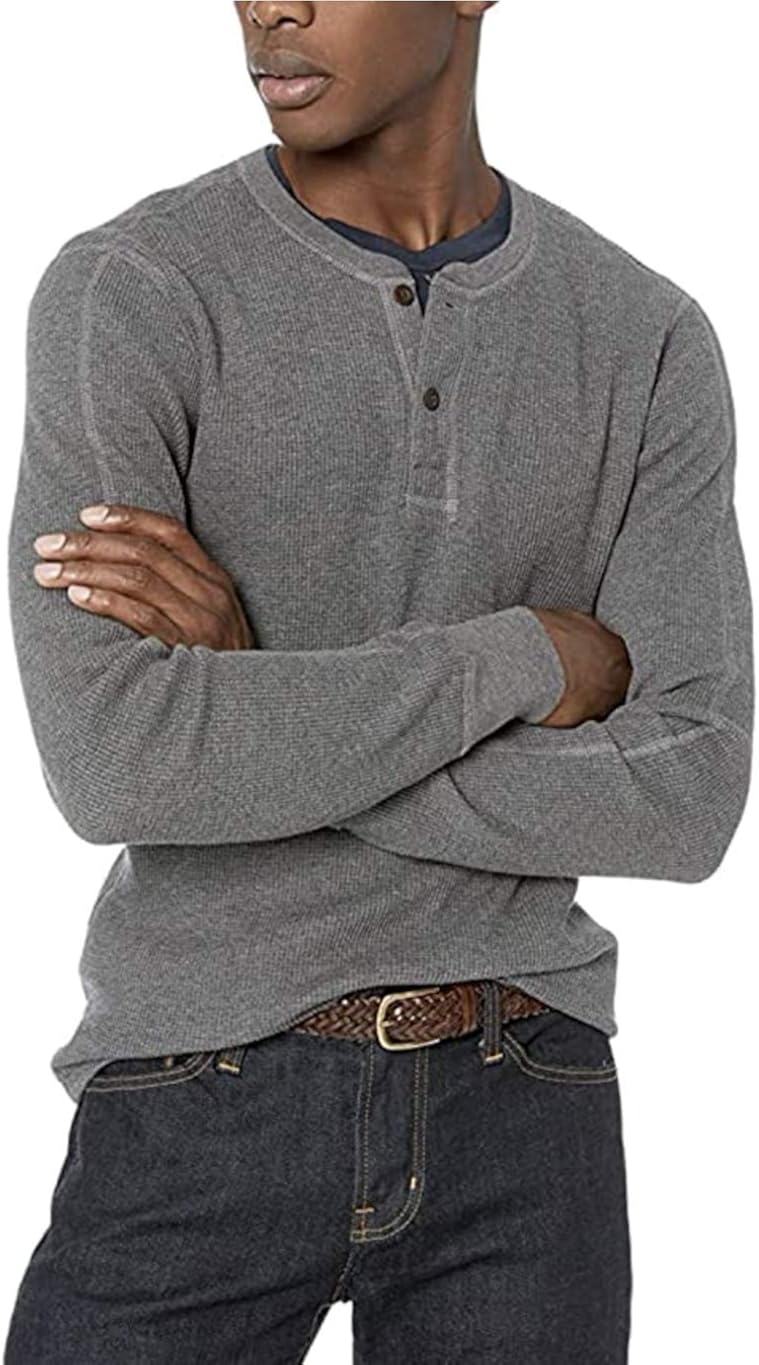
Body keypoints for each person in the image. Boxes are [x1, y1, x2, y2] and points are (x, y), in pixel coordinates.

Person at [4, 2, 753, 1361]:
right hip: (195, 1087)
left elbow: (686, 795)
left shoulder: (643, 337)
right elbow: (116, 761)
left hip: (525, 1093)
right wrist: (525, 656)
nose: (267, 6)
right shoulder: (135, 288)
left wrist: (254, 701)